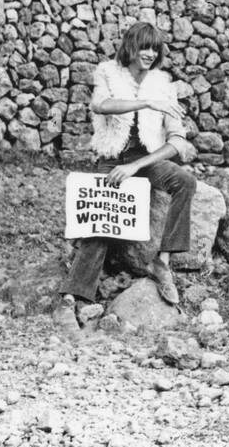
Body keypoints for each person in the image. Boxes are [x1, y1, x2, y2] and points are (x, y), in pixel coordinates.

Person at [53, 23, 197, 330]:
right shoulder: (108, 72)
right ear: (131, 46)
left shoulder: (163, 83)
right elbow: (100, 105)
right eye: (144, 47)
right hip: (112, 158)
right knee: (102, 219)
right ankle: (73, 297)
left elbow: (177, 141)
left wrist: (136, 166)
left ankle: (163, 263)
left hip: (145, 159)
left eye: (155, 49)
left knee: (184, 181)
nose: (149, 54)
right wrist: (146, 102)